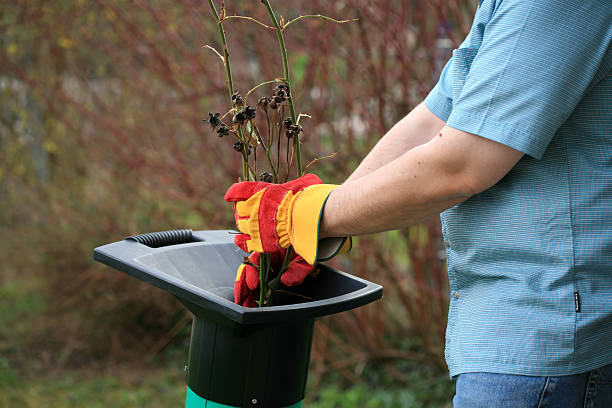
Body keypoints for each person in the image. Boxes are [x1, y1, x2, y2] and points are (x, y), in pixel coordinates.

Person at [225, 0, 612, 405]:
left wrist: (310, 216)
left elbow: (462, 164)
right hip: (524, 332)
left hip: (548, 338)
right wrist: (312, 227)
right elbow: (436, 120)